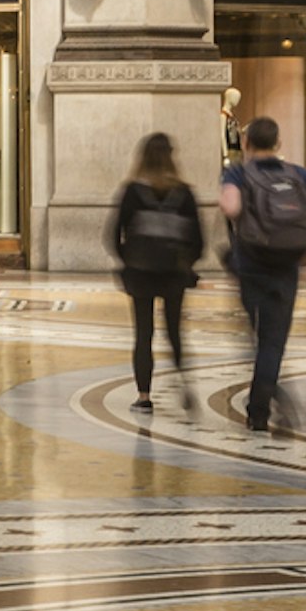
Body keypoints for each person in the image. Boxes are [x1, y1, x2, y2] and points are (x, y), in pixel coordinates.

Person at [213, 116, 306, 434]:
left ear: (246, 143)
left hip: (252, 262)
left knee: (255, 337)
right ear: (278, 144)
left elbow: (230, 207)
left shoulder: (237, 172)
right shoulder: (298, 173)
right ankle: (261, 405)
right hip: (286, 266)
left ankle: (263, 403)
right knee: (273, 342)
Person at [107, 131, 204, 413]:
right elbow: (198, 239)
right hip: (174, 272)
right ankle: (185, 382)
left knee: (143, 333)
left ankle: (144, 395)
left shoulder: (132, 191)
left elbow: (113, 233)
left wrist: (128, 259)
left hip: (141, 272)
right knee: (175, 331)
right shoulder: (184, 193)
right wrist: (186, 262)